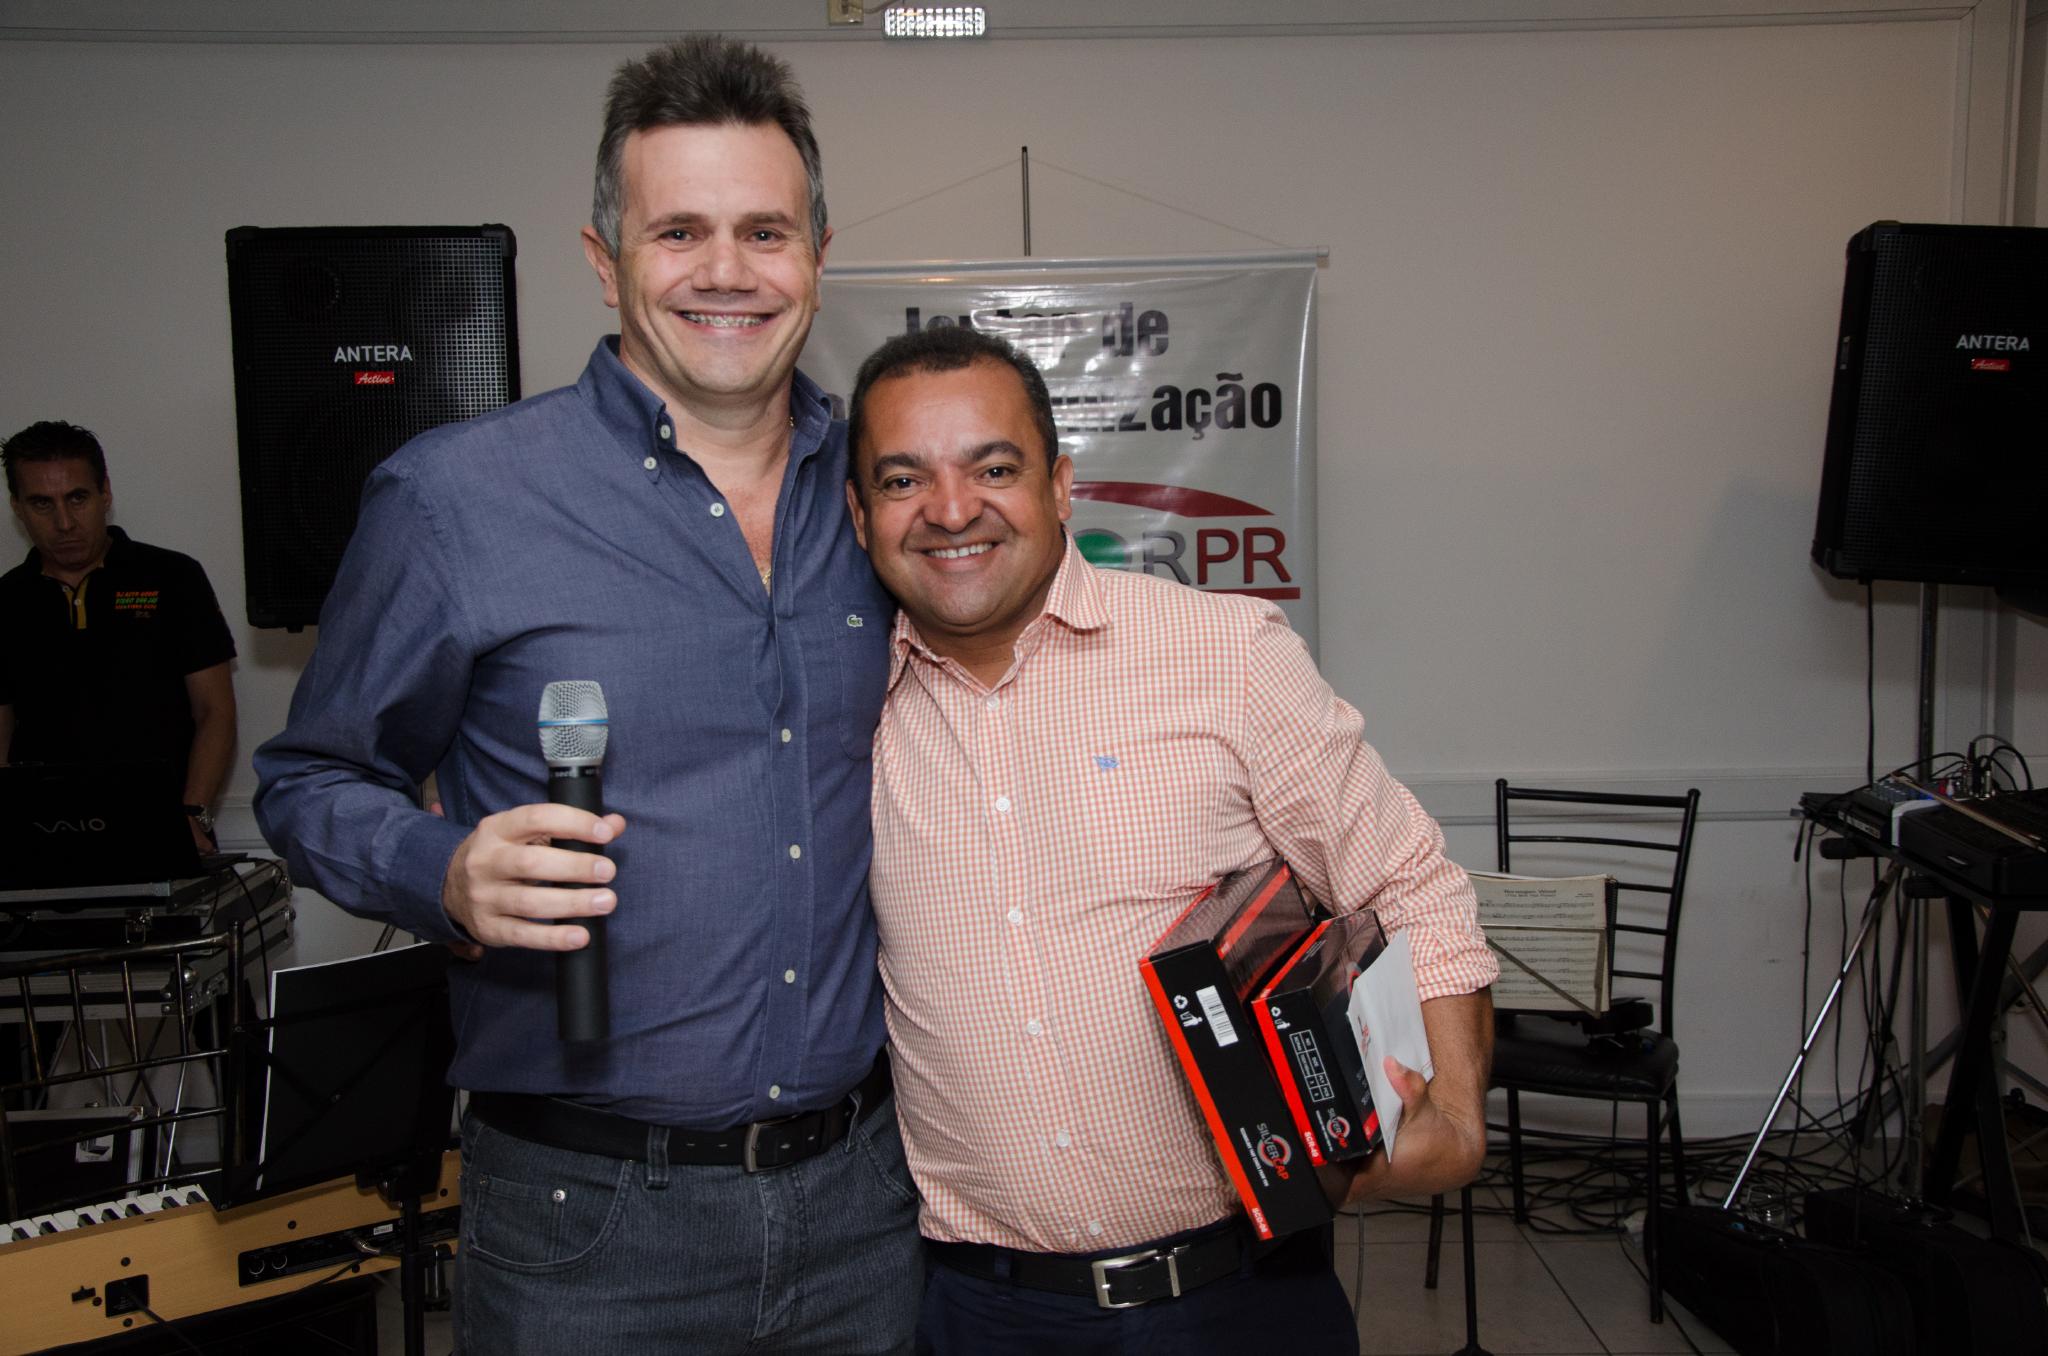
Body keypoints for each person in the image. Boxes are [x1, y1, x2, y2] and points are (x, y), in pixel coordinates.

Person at [253, 35, 919, 1355]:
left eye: (764, 231)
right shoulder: (456, 500)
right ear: (604, 259)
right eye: (678, 232)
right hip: (587, 1228)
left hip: (865, 1207)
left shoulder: (884, 495)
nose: (725, 271)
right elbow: (308, 778)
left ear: (817, 255)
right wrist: (442, 871)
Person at [842, 324, 1499, 1354]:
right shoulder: (838, 714)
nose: (952, 509)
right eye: (902, 479)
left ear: (1061, 486)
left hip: (1240, 1295)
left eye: (994, 468)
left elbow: (1408, 881)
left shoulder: (1222, 655)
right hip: (977, 1311)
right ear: (858, 514)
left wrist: (1453, 1113)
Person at [1, 420, 237, 852]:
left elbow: (215, 711)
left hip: (164, 829)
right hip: (45, 837)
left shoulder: (173, 577)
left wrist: (193, 814)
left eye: (77, 498)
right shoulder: (7, 600)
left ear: (105, 493)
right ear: (17, 507)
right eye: (42, 503)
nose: (64, 522)